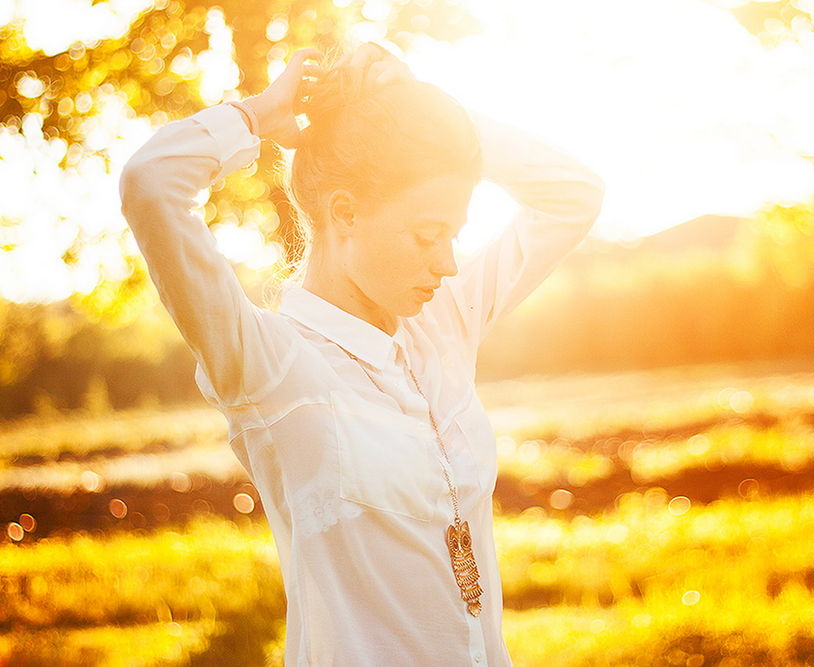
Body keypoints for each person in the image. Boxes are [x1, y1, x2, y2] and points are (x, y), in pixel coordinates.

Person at [118, 41, 604, 666]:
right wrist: (261, 113)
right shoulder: (270, 365)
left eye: (455, 235)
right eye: (428, 235)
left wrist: (419, 109)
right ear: (344, 213)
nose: (450, 262)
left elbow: (574, 195)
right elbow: (150, 184)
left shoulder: (440, 323)